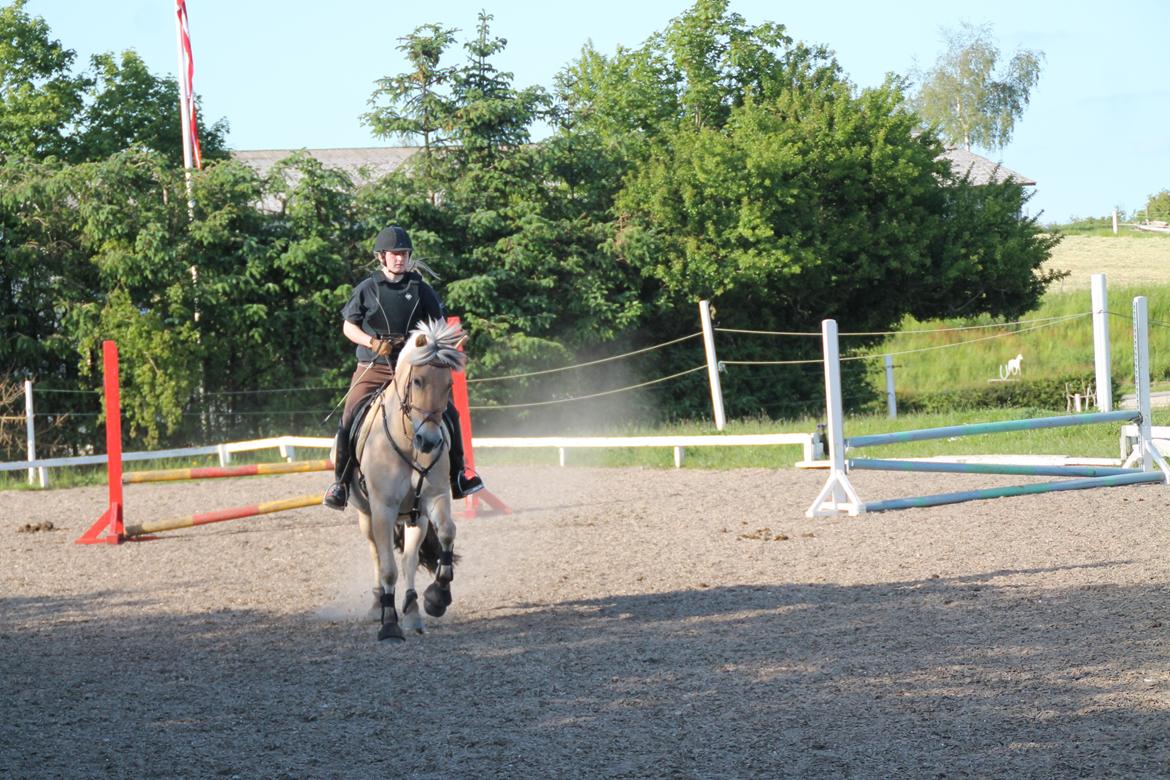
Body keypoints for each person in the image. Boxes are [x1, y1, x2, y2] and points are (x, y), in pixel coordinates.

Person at [322, 225, 485, 510]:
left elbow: (439, 325)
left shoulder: (421, 289)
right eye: (394, 254)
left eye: (404, 253)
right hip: (374, 364)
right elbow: (349, 326)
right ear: (381, 257)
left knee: (449, 411)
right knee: (350, 413)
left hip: (412, 368)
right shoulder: (367, 288)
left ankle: (460, 475)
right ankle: (341, 483)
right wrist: (372, 342)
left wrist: (448, 339)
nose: (400, 258)